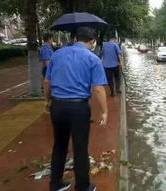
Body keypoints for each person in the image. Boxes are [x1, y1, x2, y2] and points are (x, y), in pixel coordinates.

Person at [44, 27, 108, 191]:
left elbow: (47, 82)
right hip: (78, 107)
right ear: (92, 41)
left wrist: (47, 101)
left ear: (74, 39)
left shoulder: (57, 54)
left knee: (59, 145)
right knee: (80, 148)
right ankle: (82, 187)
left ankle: (55, 184)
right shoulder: (93, 59)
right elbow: (98, 89)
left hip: (57, 106)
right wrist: (104, 111)